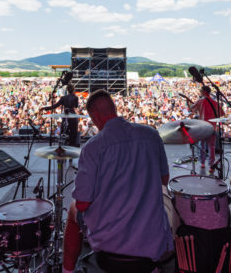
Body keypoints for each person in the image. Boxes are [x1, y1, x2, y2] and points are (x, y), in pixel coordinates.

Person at [63, 90, 174, 273]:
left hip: (109, 241)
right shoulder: (152, 135)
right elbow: (164, 180)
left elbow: (83, 204)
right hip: (152, 240)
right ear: (114, 109)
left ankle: (67, 271)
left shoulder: (93, 147)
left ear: (95, 117)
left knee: (73, 209)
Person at [189, 85, 224, 170]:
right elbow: (222, 113)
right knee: (211, 146)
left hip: (203, 127)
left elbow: (191, 108)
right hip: (212, 127)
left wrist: (188, 102)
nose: (200, 92)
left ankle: (202, 163)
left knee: (202, 145)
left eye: (201, 91)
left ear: (204, 92)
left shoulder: (200, 101)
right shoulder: (215, 102)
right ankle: (211, 164)